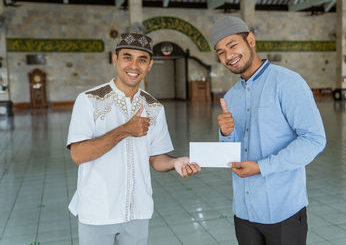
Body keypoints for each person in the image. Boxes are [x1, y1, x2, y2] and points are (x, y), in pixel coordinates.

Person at [66, 32, 201, 245]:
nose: (134, 65)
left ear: (150, 65)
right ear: (115, 59)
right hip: (98, 211)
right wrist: (125, 130)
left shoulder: (154, 107)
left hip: (138, 212)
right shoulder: (89, 100)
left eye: (142, 59)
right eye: (127, 57)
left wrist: (175, 162)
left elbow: (156, 158)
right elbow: (78, 154)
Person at [210, 16, 326, 245]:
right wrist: (225, 134)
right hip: (244, 211)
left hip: (283, 210)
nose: (228, 56)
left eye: (232, 45)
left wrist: (262, 167)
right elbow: (231, 154)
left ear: (250, 40)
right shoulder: (231, 96)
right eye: (220, 52)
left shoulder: (287, 83)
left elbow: (314, 140)